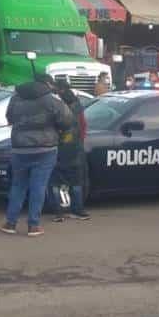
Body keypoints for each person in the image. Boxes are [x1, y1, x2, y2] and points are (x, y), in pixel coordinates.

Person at [0, 74, 72, 237]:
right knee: (38, 186)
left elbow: (9, 117)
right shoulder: (51, 100)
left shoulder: (16, 98)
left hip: (19, 148)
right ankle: (33, 225)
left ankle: (10, 223)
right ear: (46, 84)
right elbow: (67, 120)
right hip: (45, 149)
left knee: (18, 185)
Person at [49, 80, 90, 222]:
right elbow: (84, 126)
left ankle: (59, 212)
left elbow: (53, 128)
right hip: (75, 148)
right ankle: (78, 210)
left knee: (56, 182)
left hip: (60, 149)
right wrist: (79, 141)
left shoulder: (58, 107)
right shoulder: (78, 106)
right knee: (76, 181)